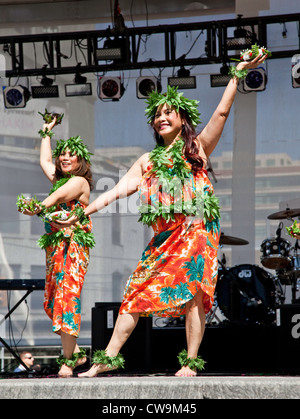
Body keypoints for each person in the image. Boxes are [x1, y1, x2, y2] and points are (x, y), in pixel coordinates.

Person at [57, 54, 267, 377]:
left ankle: (190, 362)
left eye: (168, 112)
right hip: (164, 237)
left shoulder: (195, 149)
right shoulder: (146, 161)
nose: (161, 118)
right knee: (134, 292)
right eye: (157, 114)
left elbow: (222, 113)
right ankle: (105, 359)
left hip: (196, 228)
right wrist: (80, 213)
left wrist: (237, 75)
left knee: (194, 291)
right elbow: (115, 192)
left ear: (183, 118)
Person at [18, 114, 95, 377]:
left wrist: (39, 206)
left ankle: (68, 361)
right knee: (52, 302)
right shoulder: (60, 179)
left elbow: (59, 196)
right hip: (55, 250)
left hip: (73, 246)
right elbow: (44, 160)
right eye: (63, 154)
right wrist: (46, 131)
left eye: (71, 155)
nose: (64, 158)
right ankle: (78, 354)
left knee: (66, 299)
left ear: (79, 160)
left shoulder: (79, 182)